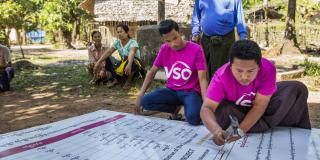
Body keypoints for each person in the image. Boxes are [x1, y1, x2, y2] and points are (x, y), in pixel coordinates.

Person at [200, 40, 311, 146]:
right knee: (220, 111)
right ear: (230, 65)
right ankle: (266, 124)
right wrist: (216, 130)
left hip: (263, 110)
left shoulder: (268, 68)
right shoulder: (221, 76)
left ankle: (260, 125)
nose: (244, 77)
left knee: (297, 89)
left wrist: (240, 131)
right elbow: (206, 108)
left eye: (250, 71)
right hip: (238, 113)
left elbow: (259, 106)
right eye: (239, 71)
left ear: (259, 66)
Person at [135, 20, 208, 125]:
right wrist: (140, 94)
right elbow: (152, 72)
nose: (173, 44)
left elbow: (203, 78)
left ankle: (191, 105)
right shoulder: (164, 49)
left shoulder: (196, 49)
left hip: (190, 92)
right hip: (172, 91)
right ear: (163, 39)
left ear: (180, 33)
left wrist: (206, 103)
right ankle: (175, 109)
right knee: (145, 101)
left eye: (175, 38)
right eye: (168, 41)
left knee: (193, 119)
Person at [191, 0, 247, 80]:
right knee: (205, 73)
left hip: (226, 40)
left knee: (224, 73)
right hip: (206, 39)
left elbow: (240, 17)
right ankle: (208, 91)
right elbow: (196, 15)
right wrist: (195, 32)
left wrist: (243, 37)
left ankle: (223, 91)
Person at [94, 24, 143, 89]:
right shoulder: (117, 42)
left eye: (121, 31)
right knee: (108, 58)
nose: (119, 34)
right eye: (118, 32)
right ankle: (116, 79)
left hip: (134, 65)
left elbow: (132, 53)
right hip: (124, 64)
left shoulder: (133, 42)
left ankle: (127, 83)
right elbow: (108, 52)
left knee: (132, 59)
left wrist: (129, 64)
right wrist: (98, 62)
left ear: (127, 32)